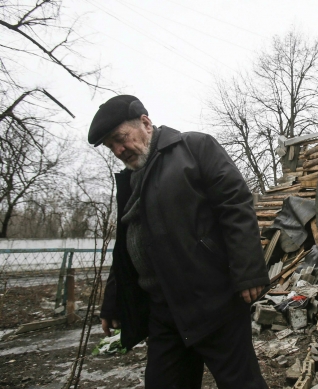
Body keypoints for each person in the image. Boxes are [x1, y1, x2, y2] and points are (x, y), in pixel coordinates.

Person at [89, 95, 270, 389]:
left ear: (145, 123)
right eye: (111, 146)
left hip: (214, 300)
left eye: (119, 138)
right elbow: (128, 246)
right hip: (163, 310)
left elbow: (235, 206)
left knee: (241, 382)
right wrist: (113, 301)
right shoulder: (131, 179)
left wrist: (248, 270)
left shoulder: (195, 148)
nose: (118, 150)